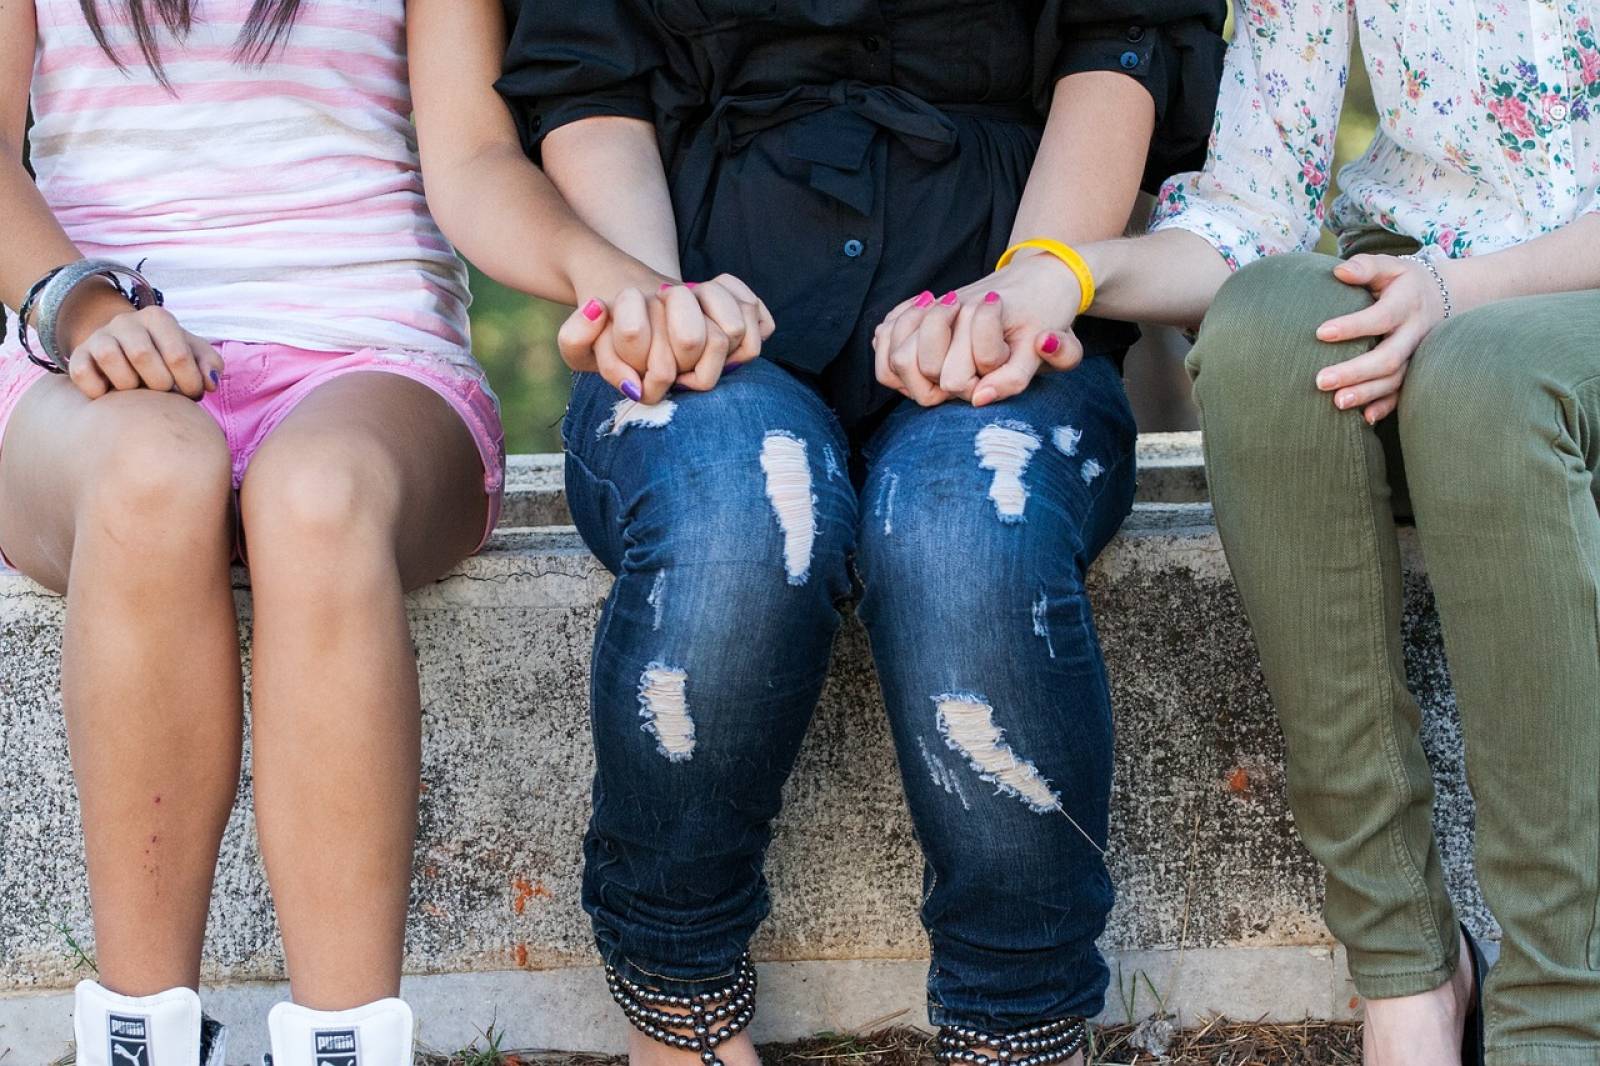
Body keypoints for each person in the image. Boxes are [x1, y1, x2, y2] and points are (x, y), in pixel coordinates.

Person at [425, 2, 1225, 1062]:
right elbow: (588, 82)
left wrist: (1016, 296)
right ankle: (679, 1010)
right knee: (740, 511)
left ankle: (1019, 1028)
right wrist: (657, 309)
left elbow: (1117, 42)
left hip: (1012, 294)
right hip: (691, 288)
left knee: (964, 526)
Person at [913, 2, 1600, 1063]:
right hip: (1418, 299)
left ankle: (1564, 1010)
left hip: (1527, 322)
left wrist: (1460, 293)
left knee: (1486, 376)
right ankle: (1408, 972)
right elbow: (1240, 220)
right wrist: (1064, 273)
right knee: (1266, 324)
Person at [0, 2, 508, 1062]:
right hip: (92, 350)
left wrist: (616, 282)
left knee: (317, 499)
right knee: (151, 474)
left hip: (371, 355)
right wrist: (86, 308)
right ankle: (137, 1038)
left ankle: (348, 1041)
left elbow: (474, 157)